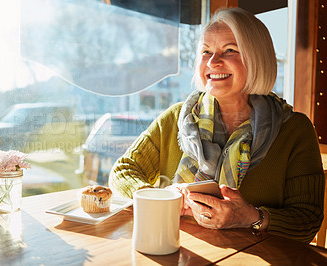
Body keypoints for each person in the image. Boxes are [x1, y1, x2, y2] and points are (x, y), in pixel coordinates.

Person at [109, 7, 325, 243]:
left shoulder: (295, 130)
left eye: (229, 50)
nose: (213, 61)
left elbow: (308, 221)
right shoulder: (175, 118)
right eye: (206, 51)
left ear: (257, 59)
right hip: (179, 249)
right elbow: (123, 171)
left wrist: (250, 217)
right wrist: (160, 198)